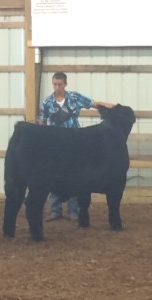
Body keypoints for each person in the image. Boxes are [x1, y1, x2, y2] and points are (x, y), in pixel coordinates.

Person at [39, 72, 114, 222]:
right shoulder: (47, 102)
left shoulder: (75, 97)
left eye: (60, 84)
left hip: (75, 142)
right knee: (53, 174)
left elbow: (94, 104)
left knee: (75, 175)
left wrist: (111, 106)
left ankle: (73, 211)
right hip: (55, 143)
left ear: (65, 84)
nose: (57, 87)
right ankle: (55, 210)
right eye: (55, 84)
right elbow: (42, 122)